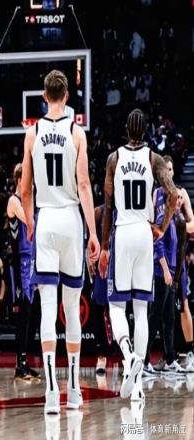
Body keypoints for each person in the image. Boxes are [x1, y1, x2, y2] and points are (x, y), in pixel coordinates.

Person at [21, 70, 100, 414]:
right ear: (67, 96)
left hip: (46, 218)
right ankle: (74, 390)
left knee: (47, 308)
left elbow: (25, 189)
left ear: (44, 95)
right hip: (70, 218)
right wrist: (93, 232)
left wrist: (29, 224)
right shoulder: (76, 132)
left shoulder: (32, 132)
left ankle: (51, 391)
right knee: (71, 309)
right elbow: (83, 185)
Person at [99, 109, 178, 402]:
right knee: (142, 309)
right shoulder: (154, 159)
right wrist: (162, 227)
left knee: (116, 305)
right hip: (145, 232)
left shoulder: (114, 159)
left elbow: (108, 206)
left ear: (126, 129)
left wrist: (104, 246)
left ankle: (128, 353)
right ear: (146, 131)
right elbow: (174, 195)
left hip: (122, 231)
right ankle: (139, 385)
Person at [143, 187, 187, 376]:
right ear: (169, 199)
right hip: (162, 274)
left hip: (170, 274)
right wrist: (165, 270)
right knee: (155, 317)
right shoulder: (163, 218)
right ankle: (143, 360)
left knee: (169, 318)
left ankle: (170, 359)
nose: (179, 201)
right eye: (177, 198)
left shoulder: (175, 219)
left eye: (181, 198)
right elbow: (157, 243)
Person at [6, 163, 40, 381]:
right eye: (30, 180)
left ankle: (25, 362)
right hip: (19, 264)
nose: (33, 185)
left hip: (32, 260)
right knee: (23, 315)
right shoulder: (14, 201)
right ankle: (20, 365)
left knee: (32, 315)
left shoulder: (28, 201)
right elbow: (30, 222)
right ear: (20, 180)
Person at [163, 156, 194, 370]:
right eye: (165, 169)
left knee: (183, 305)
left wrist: (175, 223)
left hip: (178, 258)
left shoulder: (181, 193)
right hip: (161, 259)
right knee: (162, 310)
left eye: (170, 169)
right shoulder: (157, 195)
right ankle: (169, 356)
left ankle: (190, 351)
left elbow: (192, 224)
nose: (168, 172)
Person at [88, 206, 112, 375]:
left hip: (119, 262)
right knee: (98, 309)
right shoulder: (98, 212)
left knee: (121, 310)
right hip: (102, 265)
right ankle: (101, 354)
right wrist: (89, 260)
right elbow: (89, 240)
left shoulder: (123, 210)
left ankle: (126, 354)